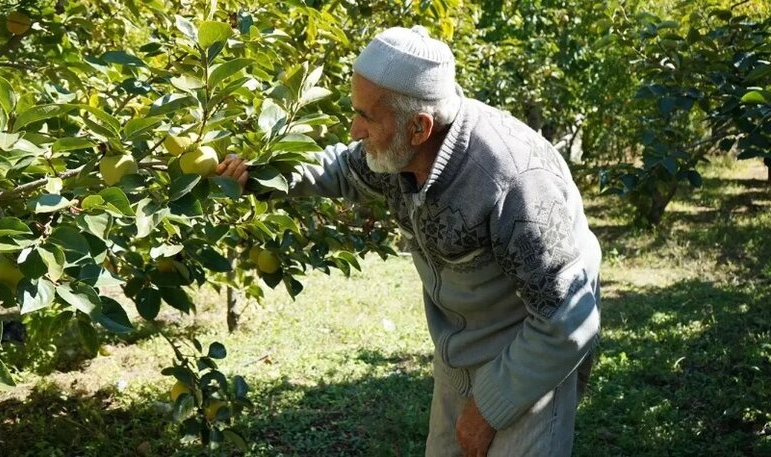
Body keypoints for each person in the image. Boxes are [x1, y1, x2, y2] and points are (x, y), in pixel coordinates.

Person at [217, 25, 601, 457]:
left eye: (365, 116)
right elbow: (343, 169)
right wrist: (262, 175)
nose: (354, 129)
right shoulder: (400, 149)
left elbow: (568, 319)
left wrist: (488, 408)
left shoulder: (515, 182)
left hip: (532, 353)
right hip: (459, 350)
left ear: (419, 127)